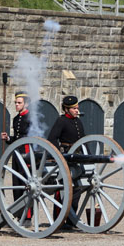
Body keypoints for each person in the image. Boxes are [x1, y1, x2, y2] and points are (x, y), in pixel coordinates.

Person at [47, 96, 85, 227]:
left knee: (77, 188)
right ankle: (60, 219)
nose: (76, 111)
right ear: (66, 109)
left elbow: (83, 140)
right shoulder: (61, 121)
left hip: (78, 155)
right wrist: (59, 154)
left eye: (77, 108)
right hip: (66, 156)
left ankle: (71, 218)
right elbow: (52, 138)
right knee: (62, 189)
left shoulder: (78, 122)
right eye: (74, 109)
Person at [0, 91, 31, 221]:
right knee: (16, 184)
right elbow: (17, 138)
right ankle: (19, 214)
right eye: (16, 103)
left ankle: (28, 216)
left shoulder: (31, 118)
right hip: (17, 153)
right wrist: (8, 138)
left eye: (19, 103)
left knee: (27, 184)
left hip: (28, 153)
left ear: (26, 104)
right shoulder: (16, 119)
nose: (16, 105)